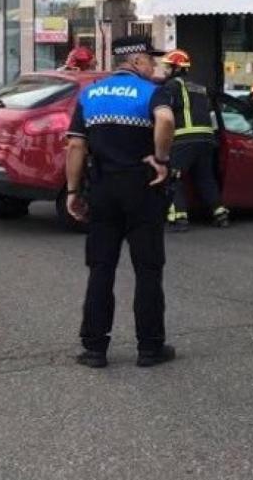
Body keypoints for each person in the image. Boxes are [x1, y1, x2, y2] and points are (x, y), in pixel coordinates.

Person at [64, 35, 177, 369]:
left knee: (101, 268)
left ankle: (95, 348)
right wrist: (161, 158)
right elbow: (167, 121)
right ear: (137, 60)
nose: (155, 66)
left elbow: (75, 146)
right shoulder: (152, 91)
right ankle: (150, 348)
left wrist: (72, 192)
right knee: (147, 270)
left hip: (103, 190)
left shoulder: (90, 94)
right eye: (151, 60)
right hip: (142, 187)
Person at [161, 49, 230, 232]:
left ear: (176, 68)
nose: (165, 71)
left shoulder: (172, 87)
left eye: (168, 67)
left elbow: (165, 113)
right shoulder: (200, 87)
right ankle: (220, 213)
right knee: (205, 178)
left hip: (184, 138)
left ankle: (179, 217)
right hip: (206, 139)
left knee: (173, 178)